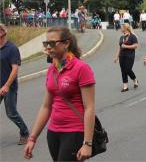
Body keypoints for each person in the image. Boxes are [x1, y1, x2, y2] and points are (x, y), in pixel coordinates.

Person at [23, 26, 95, 161]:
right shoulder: (52, 69)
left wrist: (87, 143)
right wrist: (32, 138)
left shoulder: (81, 68)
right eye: (46, 43)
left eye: (52, 43)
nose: (48, 47)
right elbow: (46, 106)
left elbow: (89, 107)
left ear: (66, 43)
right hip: (53, 133)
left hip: (75, 132)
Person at [0, 23, 29, 145]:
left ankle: (24, 132)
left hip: (9, 87)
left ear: (2, 32)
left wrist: (6, 85)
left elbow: (15, 69)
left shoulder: (12, 48)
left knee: (11, 113)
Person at [114, 23, 139, 92]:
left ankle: (135, 79)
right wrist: (116, 57)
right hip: (122, 56)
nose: (120, 29)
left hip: (130, 55)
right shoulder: (121, 37)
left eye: (121, 27)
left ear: (125, 28)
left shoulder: (132, 36)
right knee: (123, 70)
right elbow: (119, 47)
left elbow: (136, 45)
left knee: (128, 69)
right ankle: (125, 86)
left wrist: (126, 46)